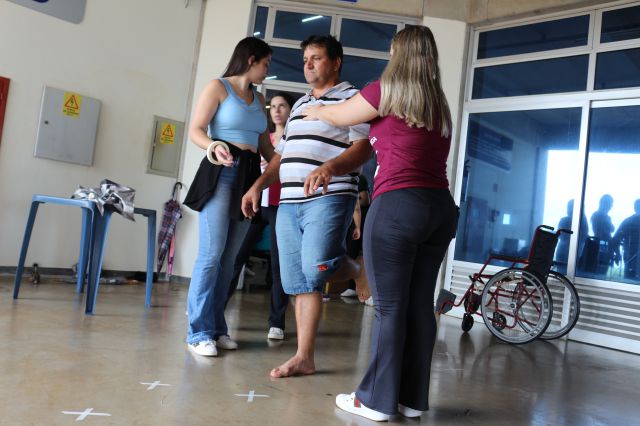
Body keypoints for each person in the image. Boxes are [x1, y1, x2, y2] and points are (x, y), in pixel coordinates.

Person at [303, 25, 459, 421]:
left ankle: (374, 400)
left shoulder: (387, 89)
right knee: (419, 304)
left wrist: (316, 108)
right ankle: (411, 400)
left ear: (397, 52)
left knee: (389, 307)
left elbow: (340, 115)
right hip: (439, 209)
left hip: (398, 206)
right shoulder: (437, 102)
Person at [241, 35, 370, 378]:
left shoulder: (353, 99)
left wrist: (330, 167)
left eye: (316, 58)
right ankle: (304, 357)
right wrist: (258, 186)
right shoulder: (299, 105)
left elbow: (363, 148)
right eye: (304, 59)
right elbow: (281, 156)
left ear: (336, 62)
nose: (308, 64)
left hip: (330, 195)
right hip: (288, 202)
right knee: (299, 282)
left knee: (316, 268)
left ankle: (357, 268)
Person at [182, 37, 274, 357]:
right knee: (211, 254)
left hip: (249, 177)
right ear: (251, 60)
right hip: (223, 171)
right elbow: (196, 129)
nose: (267, 70)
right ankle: (198, 332)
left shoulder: (259, 98)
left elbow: (266, 147)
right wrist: (213, 146)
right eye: (266, 64)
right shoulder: (218, 87)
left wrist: (285, 163)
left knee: (230, 259)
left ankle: (217, 327)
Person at [226, 92, 296, 340]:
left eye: (282, 106)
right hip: (256, 204)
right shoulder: (263, 138)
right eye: (273, 106)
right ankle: (216, 308)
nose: (276, 110)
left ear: (291, 110)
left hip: (279, 204)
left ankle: (277, 323)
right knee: (236, 257)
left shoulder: (294, 139)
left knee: (279, 264)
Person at [611, 199, 640, 280]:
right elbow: (615, 239)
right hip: (629, 259)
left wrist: (617, 254)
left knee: (628, 280)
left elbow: (615, 239)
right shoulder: (627, 222)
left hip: (629, 259)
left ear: (635, 208)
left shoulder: (627, 222)